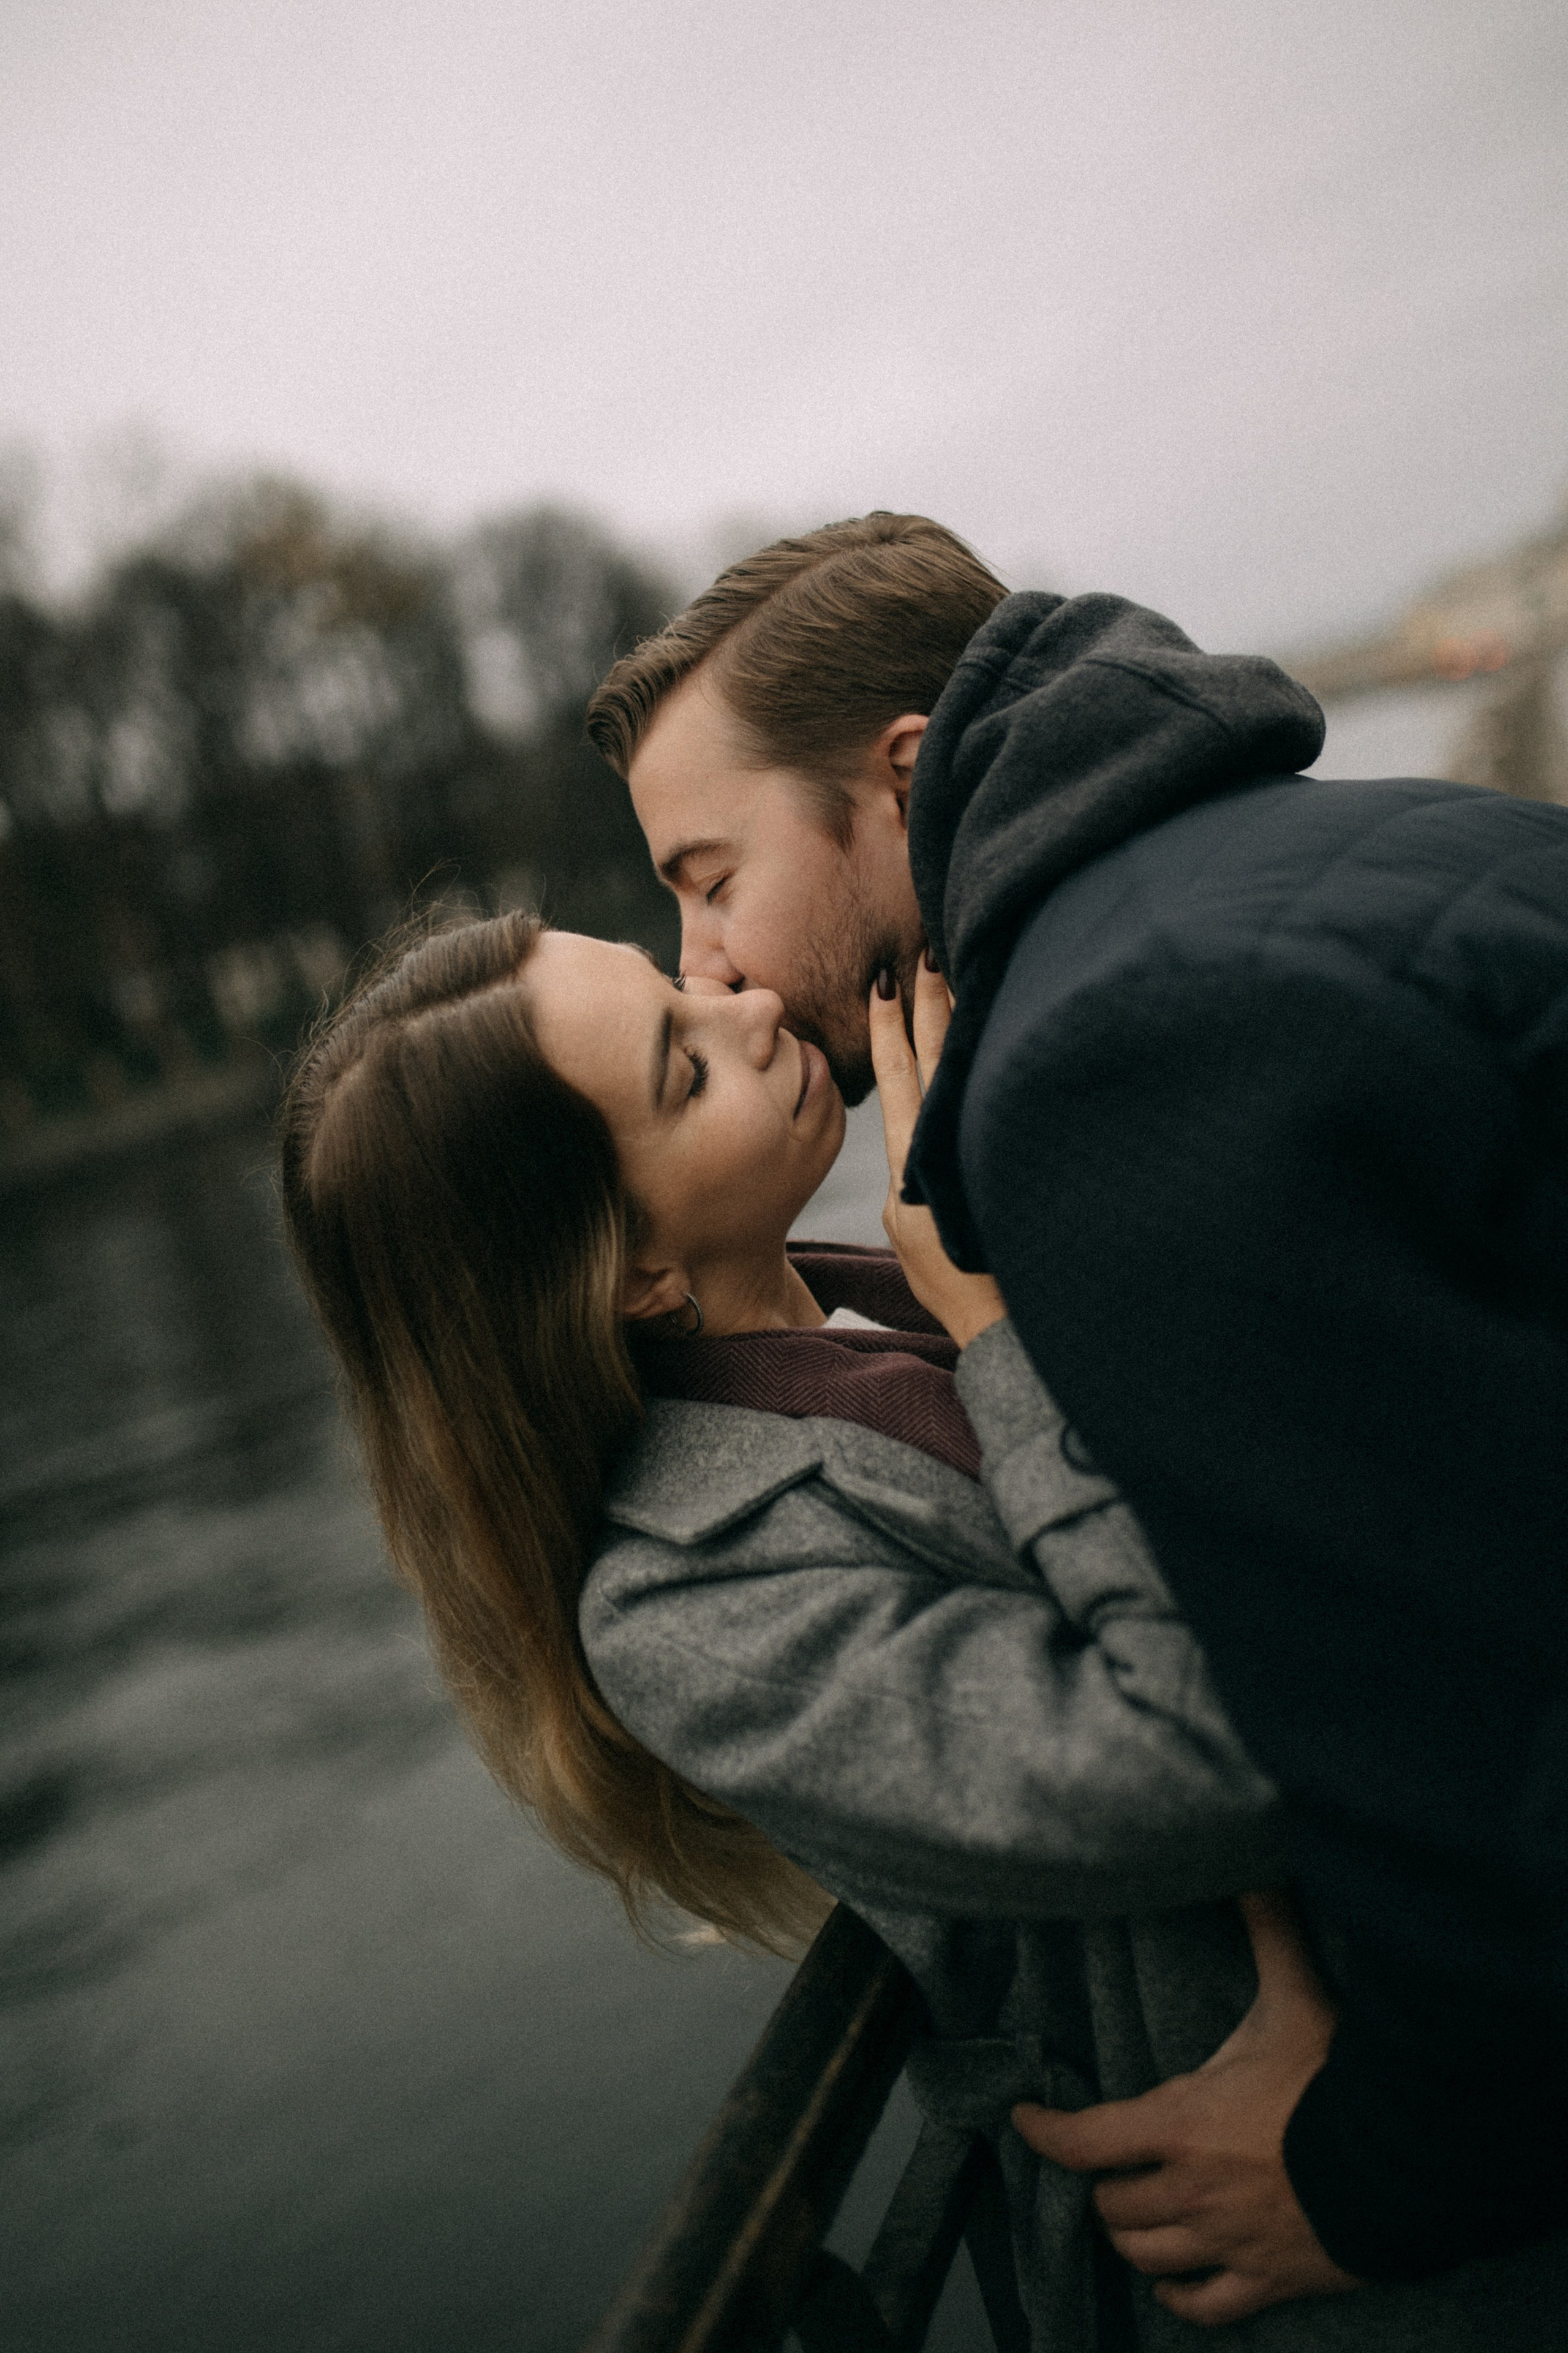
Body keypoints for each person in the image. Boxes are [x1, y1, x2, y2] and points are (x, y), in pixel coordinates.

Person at [587, 512, 1568, 2322]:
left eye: (711, 876)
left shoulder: (1116, 1054)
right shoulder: (1281, 856)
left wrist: (1386, 2162)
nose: (709, 957)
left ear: (895, 783)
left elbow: (1467, 1698)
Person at [278, 908, 1406, 2350]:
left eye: (676, 982)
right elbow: (1194, 1755)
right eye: (681, 1069)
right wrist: (995, 1329)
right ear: (632, 1271)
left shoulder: (895, 1278)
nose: (741, 1009)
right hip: (1283, 2253)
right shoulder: (687, 1605)